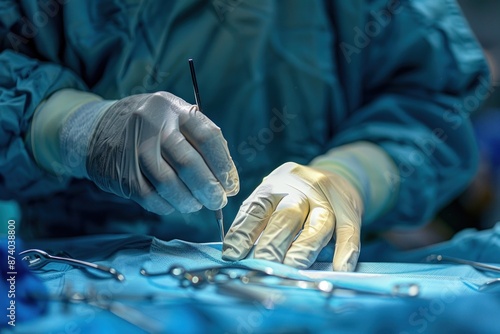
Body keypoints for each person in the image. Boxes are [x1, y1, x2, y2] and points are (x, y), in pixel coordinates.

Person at [0, 0, 490, 271]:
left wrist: (349, 176)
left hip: (315, 273)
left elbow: (432, 97)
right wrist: (71, 127)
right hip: (88, 276)